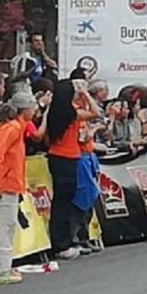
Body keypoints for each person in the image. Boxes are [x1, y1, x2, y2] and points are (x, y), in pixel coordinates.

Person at [0, 93, 39, 285]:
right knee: (4, 228)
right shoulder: (12, 128)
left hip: (7, 186)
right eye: (33, 107)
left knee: (7, 226)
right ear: (25, 109)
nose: (35, 110)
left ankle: (3, 266)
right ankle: (1, 270)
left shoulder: (13, 127)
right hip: (3, 187)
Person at [45, 79, 100, 260]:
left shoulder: (54, 111)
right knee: (64, 203)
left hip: (55, 156)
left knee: (60, 202)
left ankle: (61, 242)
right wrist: (85, 93)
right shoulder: (70, 113)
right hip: (67, 157)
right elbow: (95, 112)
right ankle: (62, 244)